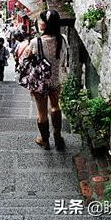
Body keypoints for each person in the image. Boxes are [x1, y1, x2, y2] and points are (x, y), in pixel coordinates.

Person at [28, 9, 67, 150]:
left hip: (40, 83)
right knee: (55, 106)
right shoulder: (62, 39)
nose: (40, 23)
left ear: (46, 24)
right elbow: (62, 59)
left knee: (42, 113)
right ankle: (57, 135)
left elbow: (27, 59)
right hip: (55, 81)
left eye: (41, 20)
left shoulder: (35, 42)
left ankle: (44, 140)